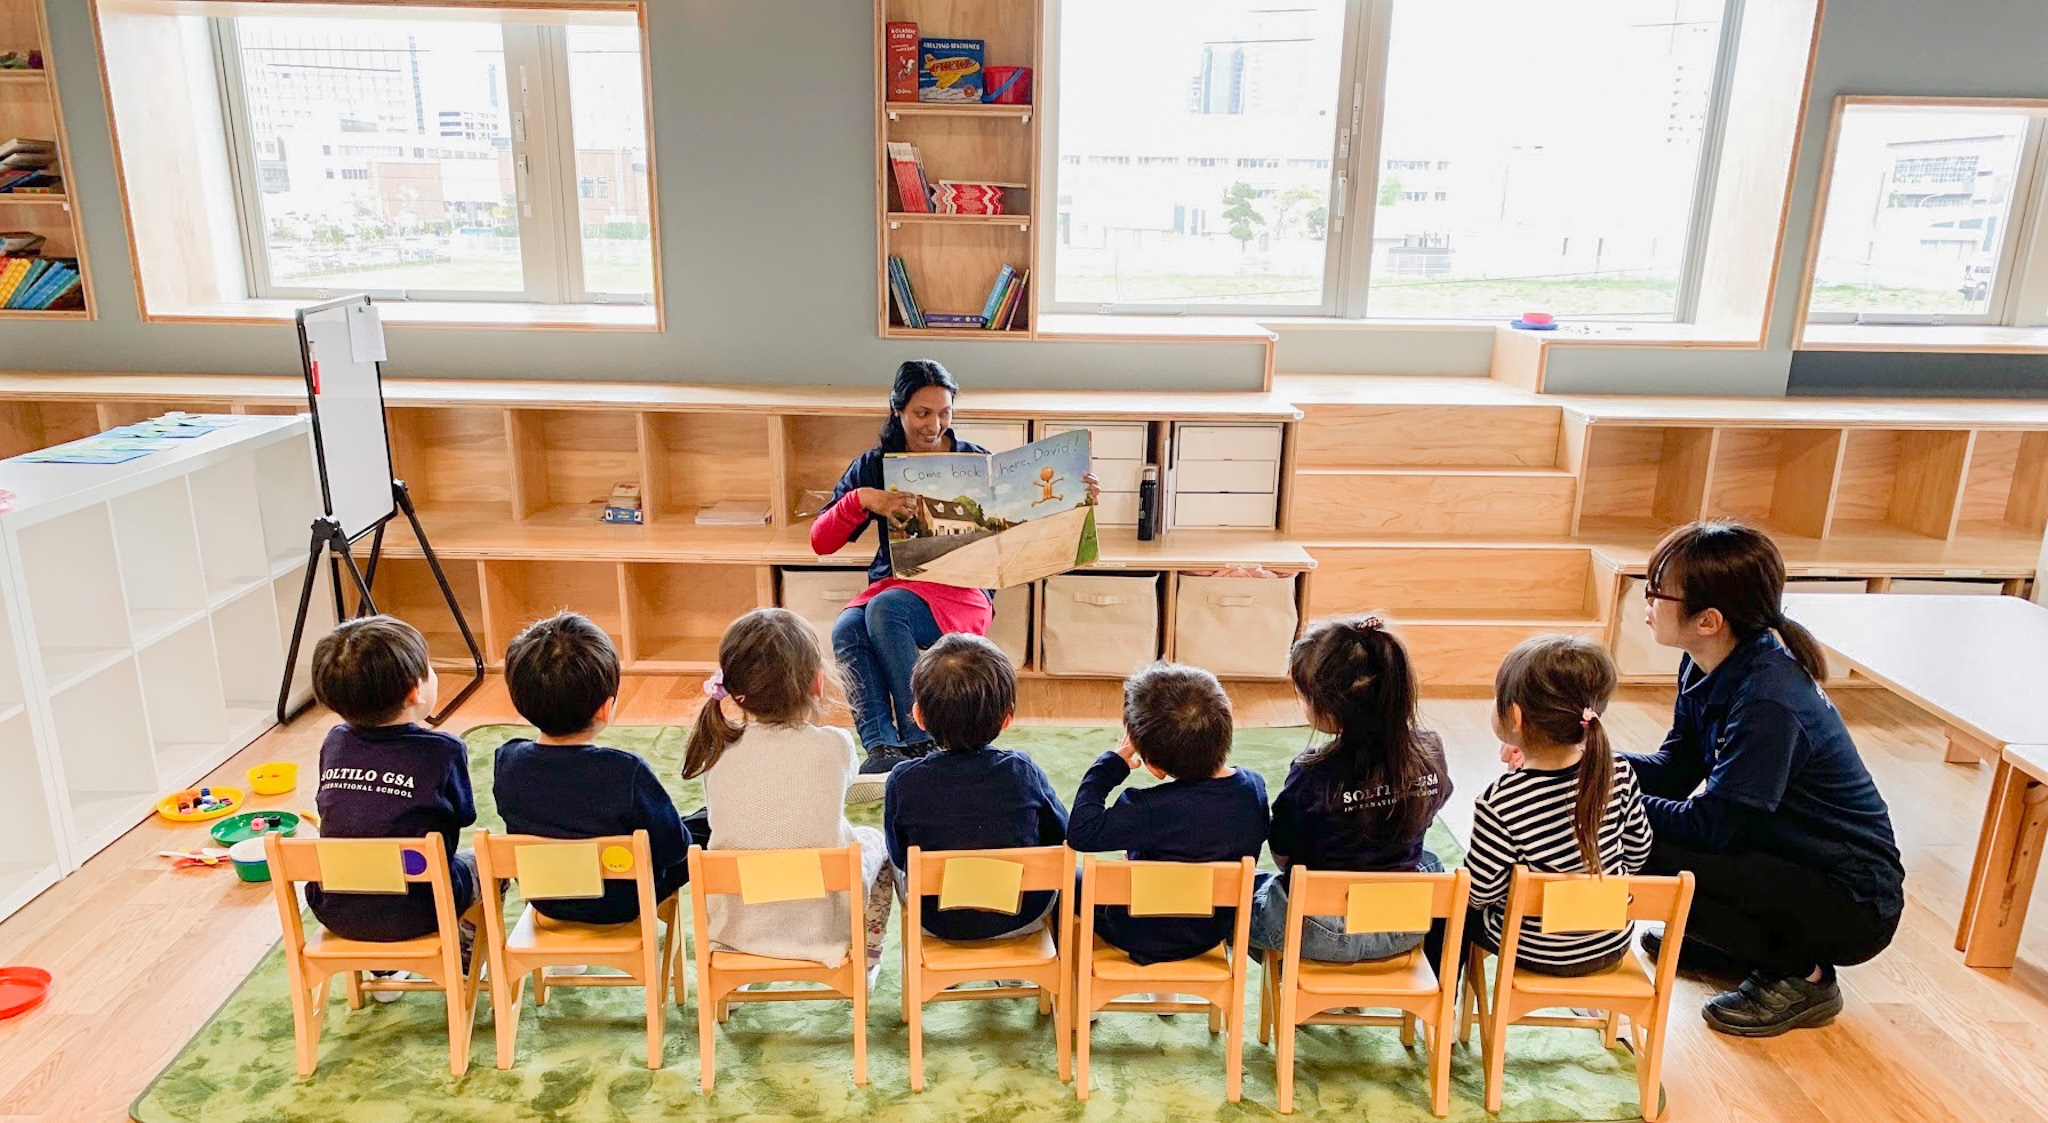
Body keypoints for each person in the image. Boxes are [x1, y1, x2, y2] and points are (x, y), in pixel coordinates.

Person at [1627, 520, 1903, 1037]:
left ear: (1708, 620)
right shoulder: (1707, 663)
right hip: (1783, 855)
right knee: (1644, 833)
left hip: (1851, 902)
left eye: (1656, 590)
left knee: (1640, 845)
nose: (1646, 599)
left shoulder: (1768, 701)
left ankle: (1803, 972)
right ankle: (1737, 941)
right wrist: (1588, 764)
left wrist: (1607, 800)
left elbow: (1711, 826)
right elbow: (1676, 770)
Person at [811, 359, 1094, 794]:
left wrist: (1078, 495)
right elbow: (821, 541)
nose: (934, 424)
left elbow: (1029, 521)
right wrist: (863, 499)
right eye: (922, 413)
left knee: (885, 611)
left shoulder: (975, 461)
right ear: (898, 410)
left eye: (944, 413)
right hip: (896, 584)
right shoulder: (874, 465)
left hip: (964, 591)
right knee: (848, 625)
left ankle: (923, 739)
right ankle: (882, 749)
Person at [683, 608, 893, 978]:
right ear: (817, 682)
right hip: (822, 928)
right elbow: (841, 785)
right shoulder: (836, 745)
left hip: (736, 928)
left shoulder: (716, 749)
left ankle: (734, 983)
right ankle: (867, 960)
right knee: (876, 841)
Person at [1253, 617, 1451, 963]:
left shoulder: (1312, 773)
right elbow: (1432, 810)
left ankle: (1306, 975)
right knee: (1430, 860)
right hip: (1405, 924)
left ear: (1329, 707)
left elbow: (1283, 853)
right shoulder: (1429, 751)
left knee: (1245, 894)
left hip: (1321, 931)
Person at [304, 615, 478, 1000]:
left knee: (375, 851)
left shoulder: (335, 743)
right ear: (415, 691)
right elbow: (464, 815)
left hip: (336, 907)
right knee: (482, 864)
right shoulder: (443, 750)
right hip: (422, 907)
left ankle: (384, 974)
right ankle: (465, 951)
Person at [1464, 634, 1653, 976]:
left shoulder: (1501, 801)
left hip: (1533, 949)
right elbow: (1638, 852)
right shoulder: (1619, 772)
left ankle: (1446, 994)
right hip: (1610, 942)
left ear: (1515, 716)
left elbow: (1478, 892)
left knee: (1455, 911)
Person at [493, 612, 689, 926]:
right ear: (605, 709)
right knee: (700, 830)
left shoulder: (508, 762)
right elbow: (674, 849)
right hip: (623, 904)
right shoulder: (626, 772)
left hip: (547, 900)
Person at [1067, 663, 1269, 965]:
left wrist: (1108, 767)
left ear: (1155, 768)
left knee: (1066, 881)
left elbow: (1081, 832)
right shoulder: (1253, 789)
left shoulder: (1145, 809)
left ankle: (1073, 977)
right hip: (1211, 930)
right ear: (1228, 714)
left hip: (1138, 930)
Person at [884, 633, 1068, 942]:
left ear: (919, 716)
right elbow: (1060, 834)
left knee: (889, 855)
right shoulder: (1022, 772)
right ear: (1007, 717)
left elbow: (900, 855)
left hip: (937, 919)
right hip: (1023, 913)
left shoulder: (903, 780)